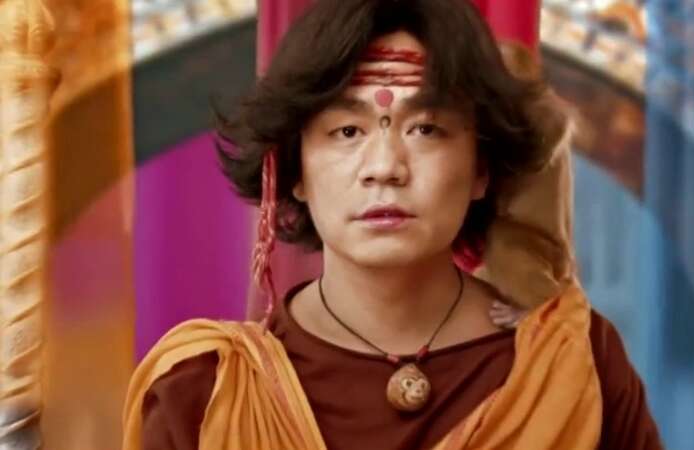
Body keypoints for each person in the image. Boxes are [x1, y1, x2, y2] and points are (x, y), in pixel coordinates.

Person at [122, 1, 663, 449]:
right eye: (347, 132)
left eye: (425, 129)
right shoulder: (206, 392)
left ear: (481, 168)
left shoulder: (574, 367)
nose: (384, 167)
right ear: (295, 170)